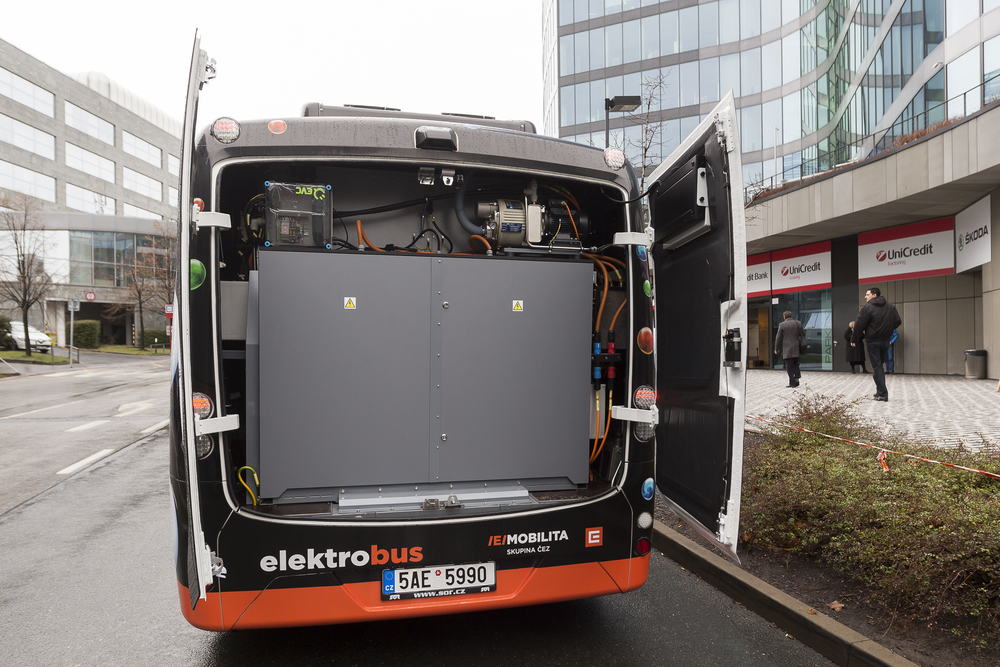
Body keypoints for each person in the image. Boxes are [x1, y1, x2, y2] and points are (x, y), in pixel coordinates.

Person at [851, 287, 901, 402]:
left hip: (873, 341)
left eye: (867, 294)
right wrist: (887, 329)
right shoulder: (891, 306)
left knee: (877, 366)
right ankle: (879, 391)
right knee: (878, 366)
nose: (865, 296)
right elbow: (898, 321)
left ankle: (883, 394)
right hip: (885, 341)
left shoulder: (867, 308)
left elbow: (859, 324)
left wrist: (853, 339)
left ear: (874, 295)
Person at [774, 310, 805, 388]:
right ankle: (797, 377)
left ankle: (792, 382)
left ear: (784, 317)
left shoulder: (782, 325)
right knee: (796, 363)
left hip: (787, 348)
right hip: (796, 347)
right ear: (791, 316)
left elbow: (778, 338)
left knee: (789, 366)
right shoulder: (798, 323)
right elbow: (803, 334)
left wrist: (776, 348)